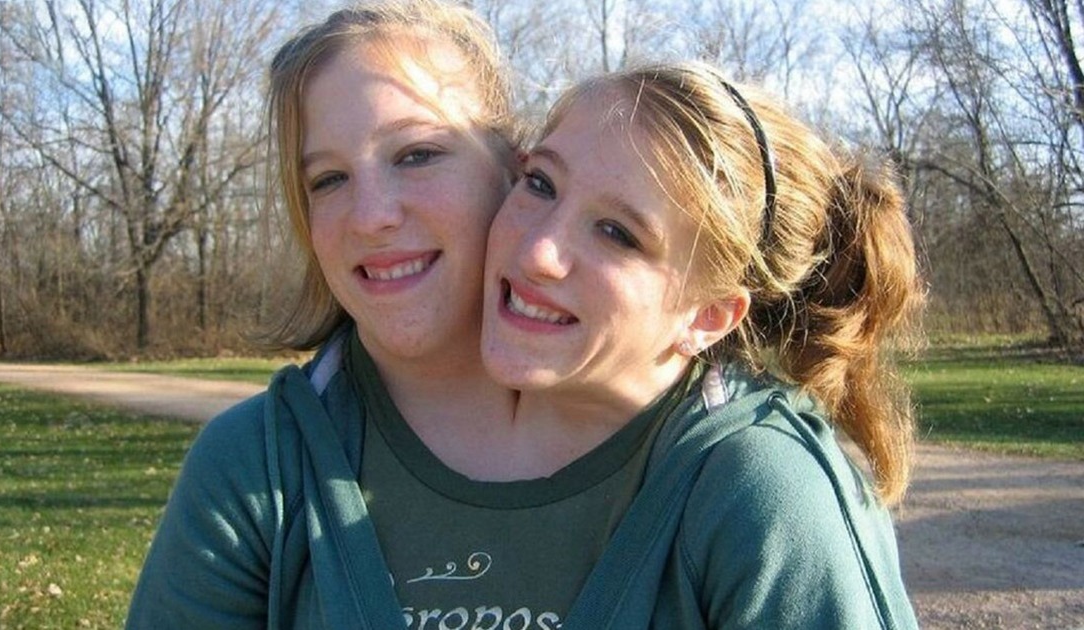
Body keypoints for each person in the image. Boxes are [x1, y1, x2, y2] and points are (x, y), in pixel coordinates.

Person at [479, 62, 922, 627]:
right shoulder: (415, 416)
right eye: (541, 183)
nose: (539, 251)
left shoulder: (769, 491)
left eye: (618, 233)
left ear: (708, 317)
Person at [124, 1, 524, 626]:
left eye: (417, 154)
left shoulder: (669, 437)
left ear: (514, 169)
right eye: (329, 179)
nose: (371, 216)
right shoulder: (253, 468)